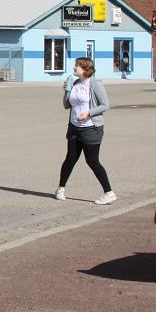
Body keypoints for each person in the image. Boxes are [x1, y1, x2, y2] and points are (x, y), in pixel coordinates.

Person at [54, 57, 116, 205]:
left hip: (91, 128)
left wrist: (89, 113)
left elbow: (105, 105)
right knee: (70, 158)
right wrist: (66, 91)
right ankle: (60, 189)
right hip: (74, 127)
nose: (74, 68)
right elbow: (66, 105)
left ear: (85, 69)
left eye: (77, 66)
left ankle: (109, 193)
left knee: (92, 161)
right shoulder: (75, 83)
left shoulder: (95, 84)